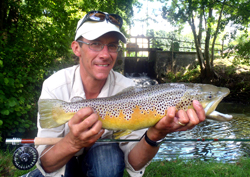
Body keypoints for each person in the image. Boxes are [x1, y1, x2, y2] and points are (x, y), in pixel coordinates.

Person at [22, 10, 205, 177]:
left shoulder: (129, 90)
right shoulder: (55, 86)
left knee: (107, 156)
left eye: (112, 46)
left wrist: (156, 134)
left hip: (100, 161)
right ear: (76, 48)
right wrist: (73, 142)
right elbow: (46, 163)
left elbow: (134, 163)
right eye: (95, 44)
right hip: (62, 164)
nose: (105, 54)